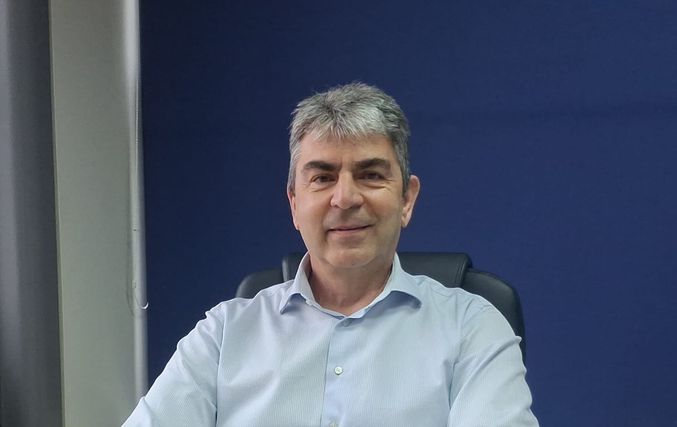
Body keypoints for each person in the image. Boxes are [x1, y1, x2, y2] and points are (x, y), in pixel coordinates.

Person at [123, 82, 539, 426]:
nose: (345, 198)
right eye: (322, 178)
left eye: (370, 175)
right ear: (294, 203)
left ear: (406, 199)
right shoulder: (223, 334)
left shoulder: (472, 329)